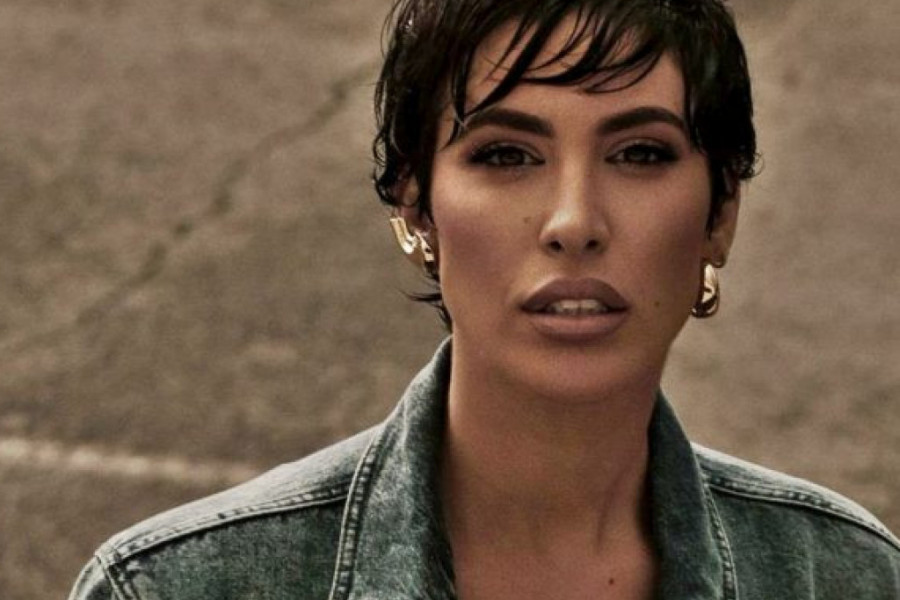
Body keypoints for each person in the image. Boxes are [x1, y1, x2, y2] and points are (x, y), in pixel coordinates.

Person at [69, 0, 900, 598]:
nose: (574, 223)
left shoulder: (844, 577)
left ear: (719, 215)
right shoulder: (175, 588)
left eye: (640, 154)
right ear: (416, 208)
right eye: (506, 155)